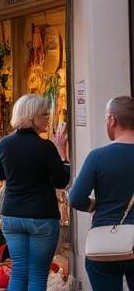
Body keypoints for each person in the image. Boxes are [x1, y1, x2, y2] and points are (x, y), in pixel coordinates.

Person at [0, 94, 70, 291]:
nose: (47, 118)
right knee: (37, 274)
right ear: (32, 116)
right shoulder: (46, 147)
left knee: (19, 270)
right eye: (44, 114)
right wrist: (63, 153)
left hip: (12, 215)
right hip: (41, 216)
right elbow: (62, 180)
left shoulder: (5, 143)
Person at [69, 96, 134, 291]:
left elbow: (75, 198)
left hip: (106, 242)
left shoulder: (98, 157)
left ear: (113, 120)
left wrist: (93, 205)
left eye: (106, 119)